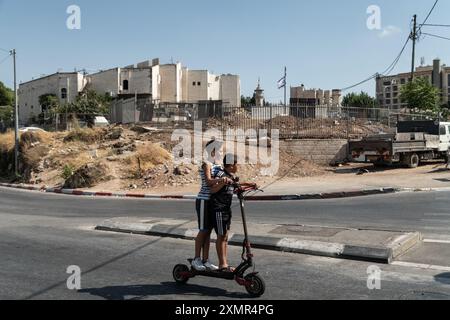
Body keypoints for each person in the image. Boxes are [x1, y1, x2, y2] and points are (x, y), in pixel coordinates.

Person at [209, 154, 257, 272]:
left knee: (225, 236)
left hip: (226, 209)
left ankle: (225, 263)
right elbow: (212, 189)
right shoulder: (221, 175)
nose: (238, 166)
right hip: (218, 209)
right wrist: (222, 182)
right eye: (236, 164)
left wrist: (249, 184)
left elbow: (236, 185)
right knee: (221, 236)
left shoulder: (230, 175)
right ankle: (222, 264)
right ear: (230, 165)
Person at [191, 140, 231, 271]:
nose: (221, 153)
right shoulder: (206, 164)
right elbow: (208, 182)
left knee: (208, 232)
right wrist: (221, 180)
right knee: (203, 230)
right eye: (219, 151)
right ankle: (196, 259)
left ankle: (205, 260)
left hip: (213, 202)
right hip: (204, 200)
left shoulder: (218, 166)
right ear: (212, 151)